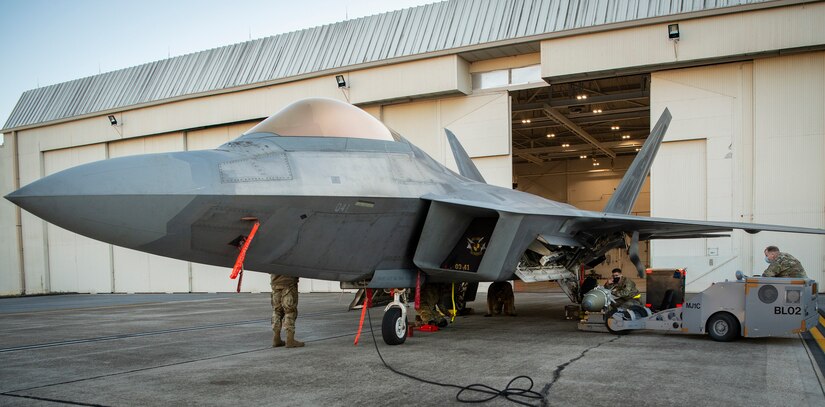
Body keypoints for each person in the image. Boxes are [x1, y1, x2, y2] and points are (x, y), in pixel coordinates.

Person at [270, 274, 304, 348]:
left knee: (277, 311)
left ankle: (276, 338)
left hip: (275, 283)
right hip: (288, 283)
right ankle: (290, 340)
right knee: (290, 311)